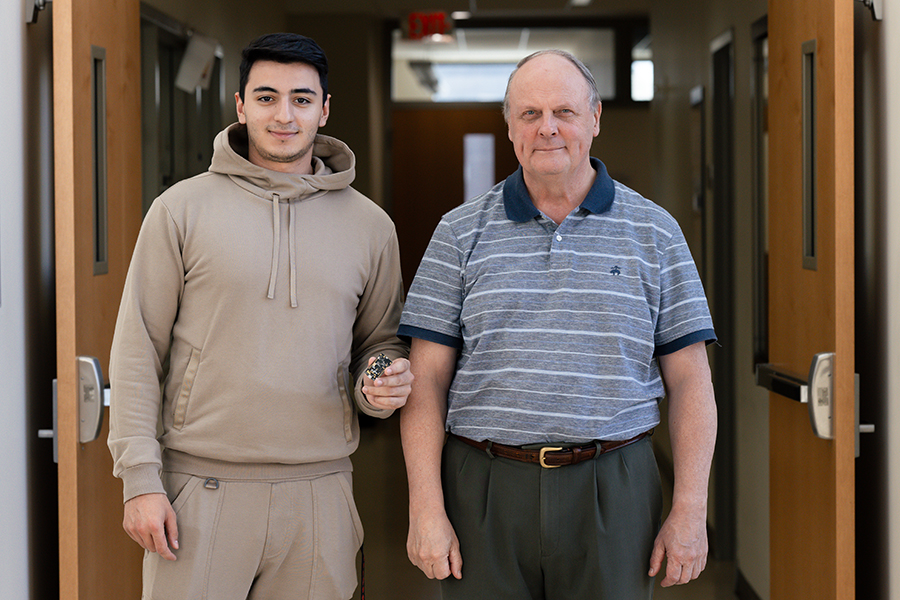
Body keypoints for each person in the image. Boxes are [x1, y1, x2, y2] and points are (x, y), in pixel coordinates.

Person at [398, 49, 717, 599]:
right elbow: (425, 380)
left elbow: (690, 381)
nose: (547, 129)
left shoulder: (656, 233)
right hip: (485, 487)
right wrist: (425, 507)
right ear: (509, 126)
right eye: (529, 114)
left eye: (564, 112)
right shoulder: (457, 233)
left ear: (594, 120)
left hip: (614, 487)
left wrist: (690, 509)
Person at [108, 32, 412, 600]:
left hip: (321, 489)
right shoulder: (180, 210)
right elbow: (136, 350)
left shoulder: (371, 226)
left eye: (301, 99)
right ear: (242, 106)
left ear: (324, 110)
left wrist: (379, 386)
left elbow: (381, 343)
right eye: (267, 97)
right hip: (199, 489)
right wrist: (139, 481)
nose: (284, 115)